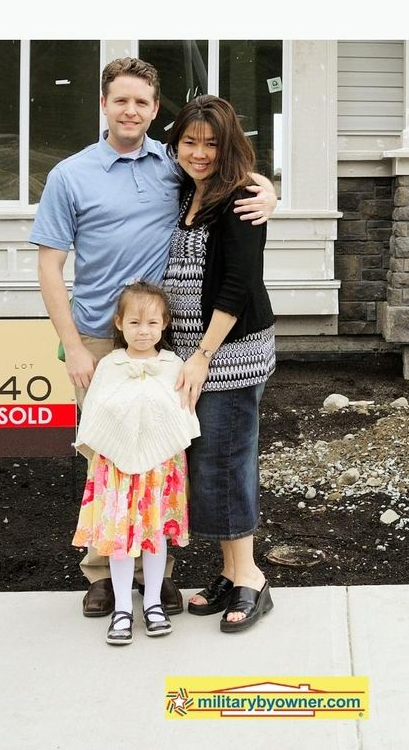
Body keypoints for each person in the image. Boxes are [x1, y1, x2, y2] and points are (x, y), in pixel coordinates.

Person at [29, 56, 276, 617]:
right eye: (121, 100)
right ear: (103, 104)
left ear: (153, 108)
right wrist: (71, 346)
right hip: (98, 337)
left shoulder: (170, 165)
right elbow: (49, 267)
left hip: (168, 341)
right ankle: (103, 574)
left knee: (167, 453)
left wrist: (268, 191)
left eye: (142, 102)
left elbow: (227, 172)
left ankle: (159, 571)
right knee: (107, 459)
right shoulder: (71, 174)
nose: (131, 110)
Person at [162, 95, 276, 634]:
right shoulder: (187, 189)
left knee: (226, 461)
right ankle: (231, 572)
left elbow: (237, 284)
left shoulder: (243, 197)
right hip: (189, 353)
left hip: (227, 353)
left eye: (211, 143)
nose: (200, 152)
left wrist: (204, 355)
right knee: (207, 463)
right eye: (190, 141)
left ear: (228, 144)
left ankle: (251, 577)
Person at [72, 281, 199, 645]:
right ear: (118, 323)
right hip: (117, 471)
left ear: (165, 324)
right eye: (134, 323)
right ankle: (124, 608)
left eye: (152, 324)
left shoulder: (173, 364)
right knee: (120, 539)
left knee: (155, 537)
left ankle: (154, 603)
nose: (143, 332)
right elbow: (97, 412)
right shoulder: (110, 365)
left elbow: (180, 413)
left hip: (159, 471)